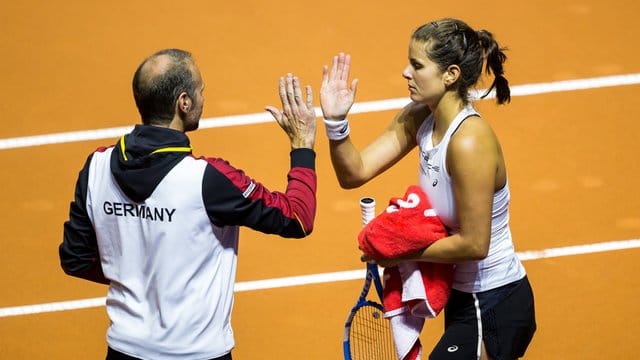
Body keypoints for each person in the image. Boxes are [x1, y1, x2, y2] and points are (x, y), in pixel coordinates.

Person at [59, 48, 317, 360]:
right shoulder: (208, 179)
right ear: (184, 102)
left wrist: (136, 276)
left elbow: (75, 259)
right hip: (197, 355)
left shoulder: (96, 167)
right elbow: (297, 218)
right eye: (200, 90)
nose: (203, 97)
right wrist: (302, 145)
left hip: (123, 350)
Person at [320, 18, 536, 359]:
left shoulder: (469, 143)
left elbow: (475, 244)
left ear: (450, 75)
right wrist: (335, 122)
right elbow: (354, 173)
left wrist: (398, 252)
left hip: (495, 301)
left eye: (417, 65)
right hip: (463, 298)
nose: (406, 72)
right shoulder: (421, 117)